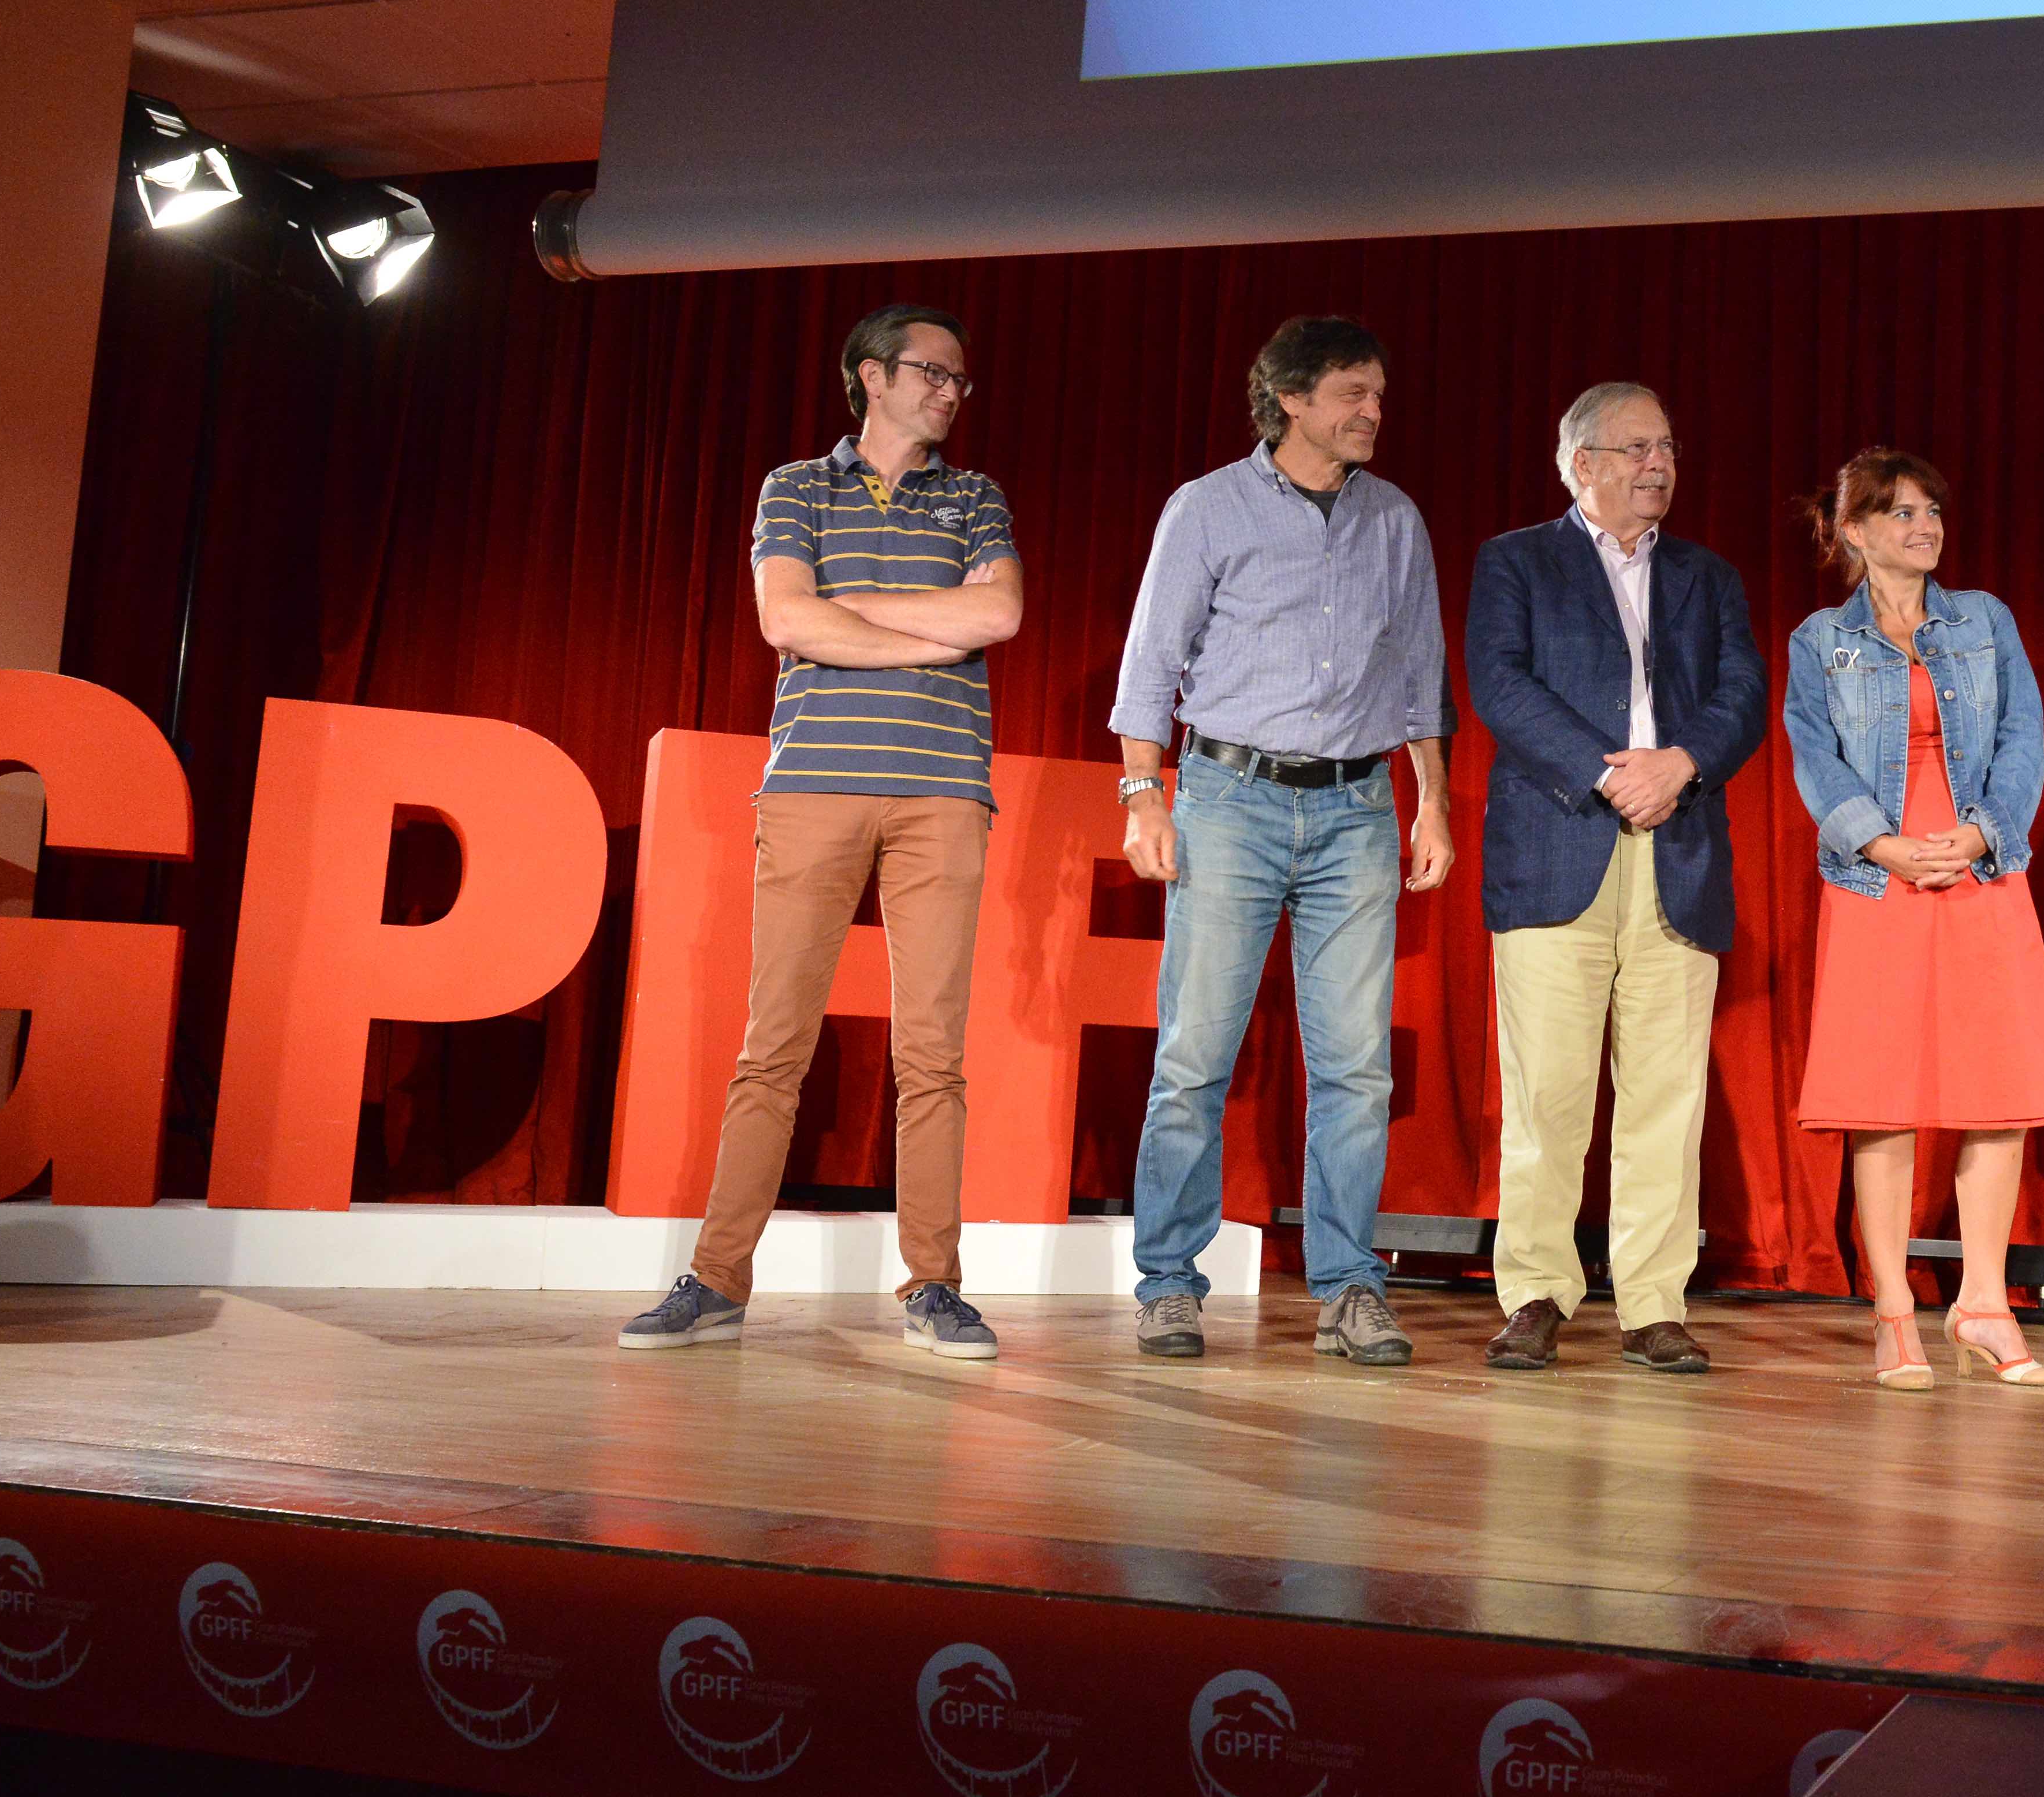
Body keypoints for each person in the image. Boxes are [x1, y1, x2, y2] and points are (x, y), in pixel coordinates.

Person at [620, 305, 1023, 1360]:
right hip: (812, 787)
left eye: (960, 380)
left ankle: (934, 1285)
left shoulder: (975, 497)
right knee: (773, 1049)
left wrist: (854, 612)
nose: (950, 391)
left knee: (932, 1056)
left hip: (943, 792)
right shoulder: (796, 487)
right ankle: (718, 1279)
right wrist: (924, 624)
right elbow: (786, 619)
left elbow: (997, 617)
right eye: (933, 372)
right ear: (872, 375)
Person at [1110, 316, 1455, 1367]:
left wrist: (1432, 801)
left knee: (1356, 1070)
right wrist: (1144, 795)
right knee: (1194, 1058)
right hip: (1231, 799)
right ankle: (1170, 1284)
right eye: (1353, 392)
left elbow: (1421, 674)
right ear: (1292, 400)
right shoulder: (1207, 507)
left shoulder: (1395, 519)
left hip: (1356, 809)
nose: (1373, 412)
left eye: (1379, 394)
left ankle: (1349, 1288)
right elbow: (1151, 660)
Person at [1465, 383, 1770, 1375]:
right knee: (1547, 1096)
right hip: (1560, 845)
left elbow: (1743, 695)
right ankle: (1536, 1294)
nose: (1658, 464)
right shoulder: (1517, 560)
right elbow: (1500, 684)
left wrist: (1681, 764)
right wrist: (1610, 774)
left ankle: (1653, 1305)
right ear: (1580, 464)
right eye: (1636, 448)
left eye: (1667, 447)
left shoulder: (1708, 577)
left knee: (1665, 1102)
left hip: (1679, 851)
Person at [1781, 449, 2044, 1388]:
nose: (1926, 527)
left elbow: (2025, 735)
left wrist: (1984, 832)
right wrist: (1881, 845)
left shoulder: (1984, 620)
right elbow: (1813, 757)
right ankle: (1894, 1314)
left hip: (1977, 866)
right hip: (1879, 880)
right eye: (1901, 513)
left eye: (1933, 511)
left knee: (1998, 1090)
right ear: (1854, 531)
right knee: (1883, 1096)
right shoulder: (1818, 641)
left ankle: (1984, 1302)